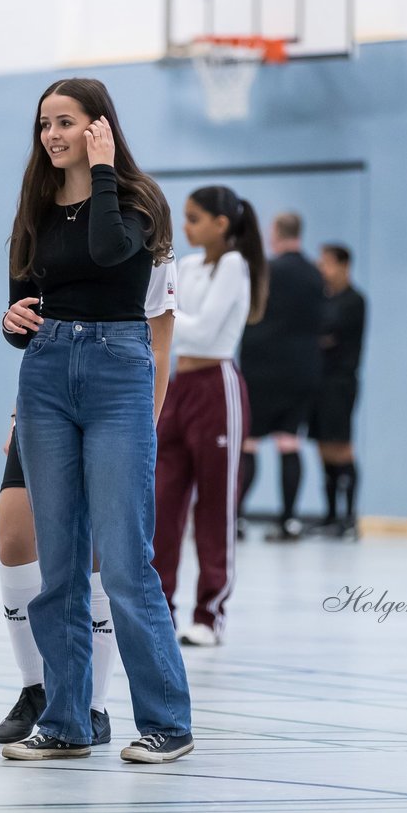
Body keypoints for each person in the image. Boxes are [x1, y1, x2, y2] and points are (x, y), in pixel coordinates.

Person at [0, 77, 194, 764]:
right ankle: (67, 720)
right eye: (43, 124)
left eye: (65, 122)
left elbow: (114, 256)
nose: (51, 135)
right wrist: (12, 320)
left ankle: (167, 721)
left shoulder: (137, 201)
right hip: (47, 374)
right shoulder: (36, 204)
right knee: (58, 565)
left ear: (99, 127)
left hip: (116, 373)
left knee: (124, 561)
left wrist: (105, 170)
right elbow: (23, 300)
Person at [0, 259, 176, 745]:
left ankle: (96, 707)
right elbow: (25, 318)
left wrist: (144, 430)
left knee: (114, 563)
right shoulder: (39, 214)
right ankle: (43, 693)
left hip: (118, 403)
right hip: (45, 400)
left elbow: (158, 341)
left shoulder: (140, 221)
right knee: (20, 544)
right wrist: (11, 323)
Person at [151, 185, 268, 648]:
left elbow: (201, 328)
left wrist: (165, 319)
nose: (186, 226)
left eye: (195, 218)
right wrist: (165, 318)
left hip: (218, 389)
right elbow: (168, 317)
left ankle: (210, 612)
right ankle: (160, 606)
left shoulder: (235, 266)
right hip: (178, 388)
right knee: (163, 500)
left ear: (222, 224)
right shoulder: (190, 265)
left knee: (216, 505)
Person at [238, 211, 326, 542]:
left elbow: (249, 315)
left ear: (275, 234)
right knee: (289, 442)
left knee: (250, 443)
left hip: (262, 370)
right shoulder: (316, 275)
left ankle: (236, 518)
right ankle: (289, 520)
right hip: (303, 370)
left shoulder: (268, 271)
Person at [310, 243, 366, 538]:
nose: (322, 269)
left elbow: (328, 332)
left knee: (341, 446)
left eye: (327, 264)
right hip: (319, 381)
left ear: (344, 266)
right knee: (322, 446)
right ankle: (330, 515)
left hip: (340, 383)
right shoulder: (323, 298)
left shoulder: (354, 300)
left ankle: (350, 516)